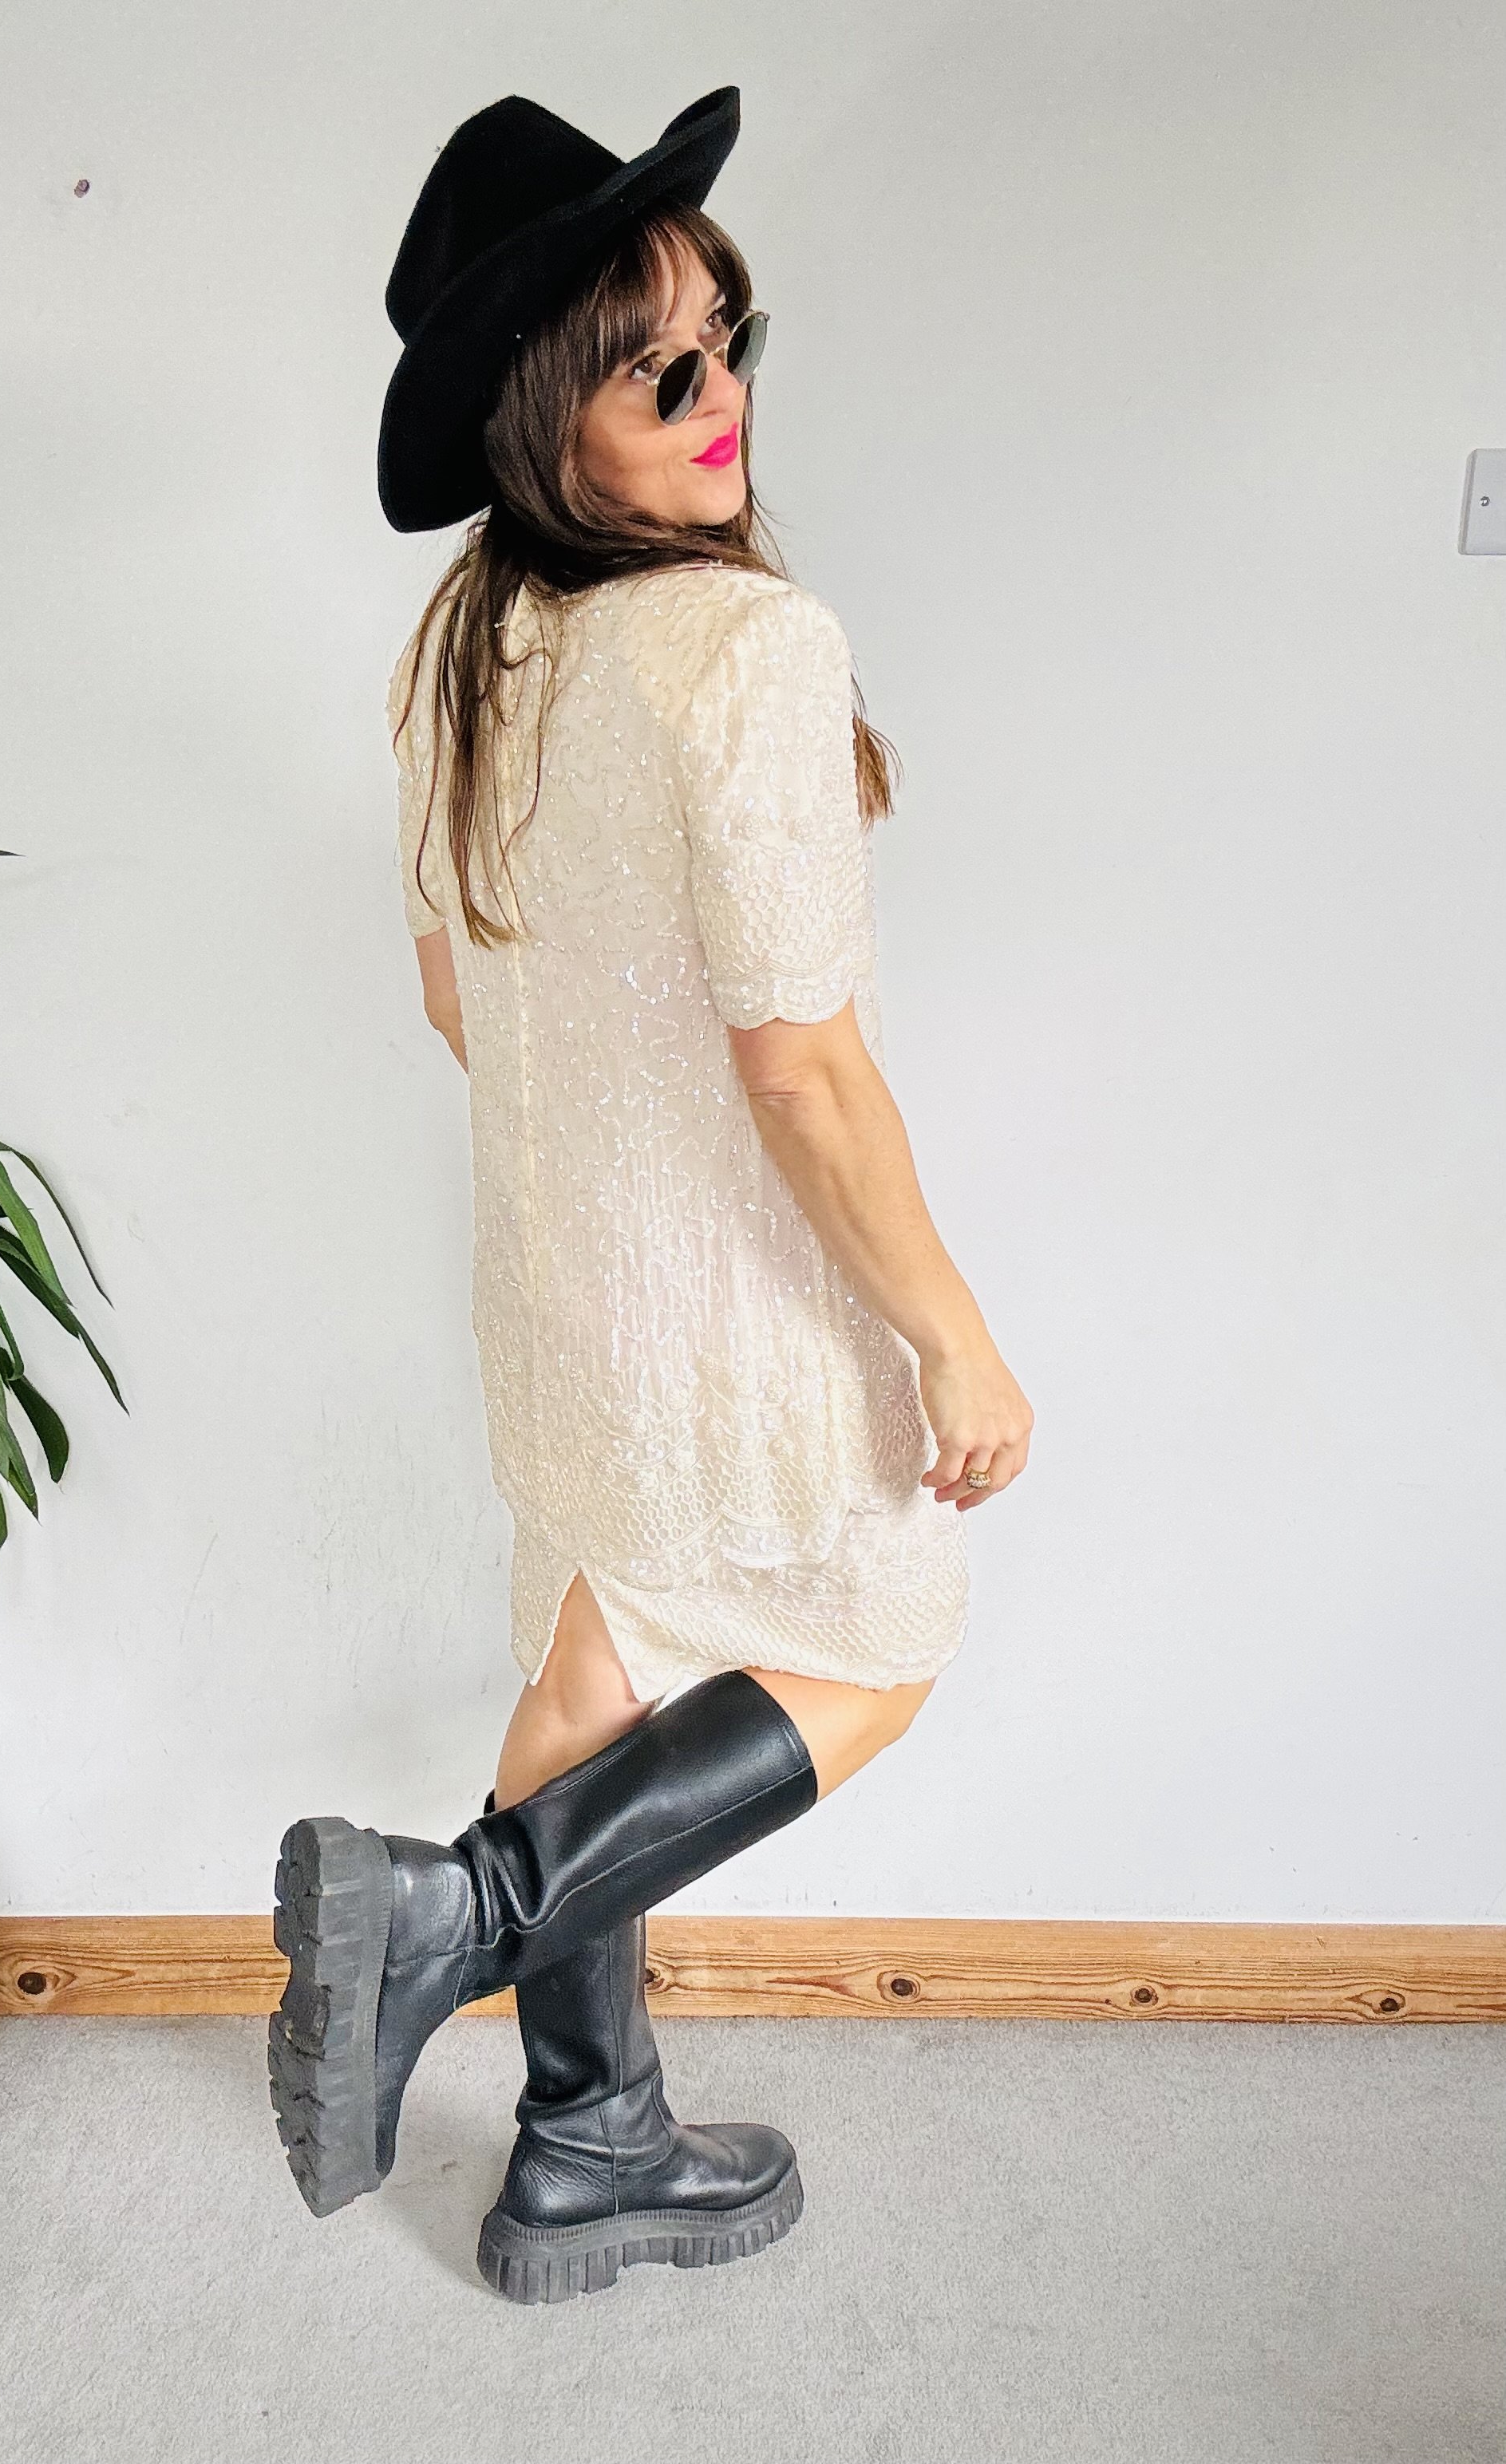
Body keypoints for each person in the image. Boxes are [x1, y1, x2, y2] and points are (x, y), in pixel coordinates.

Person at [268, 85, 1034, 2304]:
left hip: (553, 1293)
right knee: (881, 1644)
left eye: (730, 336)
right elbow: (803, 1069)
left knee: (593, 1686)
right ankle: (458, 1915)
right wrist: (953, 1340)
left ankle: (587, 2142)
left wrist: (601, 1155)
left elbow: (457, 998)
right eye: (655, 369)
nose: (719, 399)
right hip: (732, 1305)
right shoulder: (748, 648)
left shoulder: (458, 650)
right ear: (547, 415)